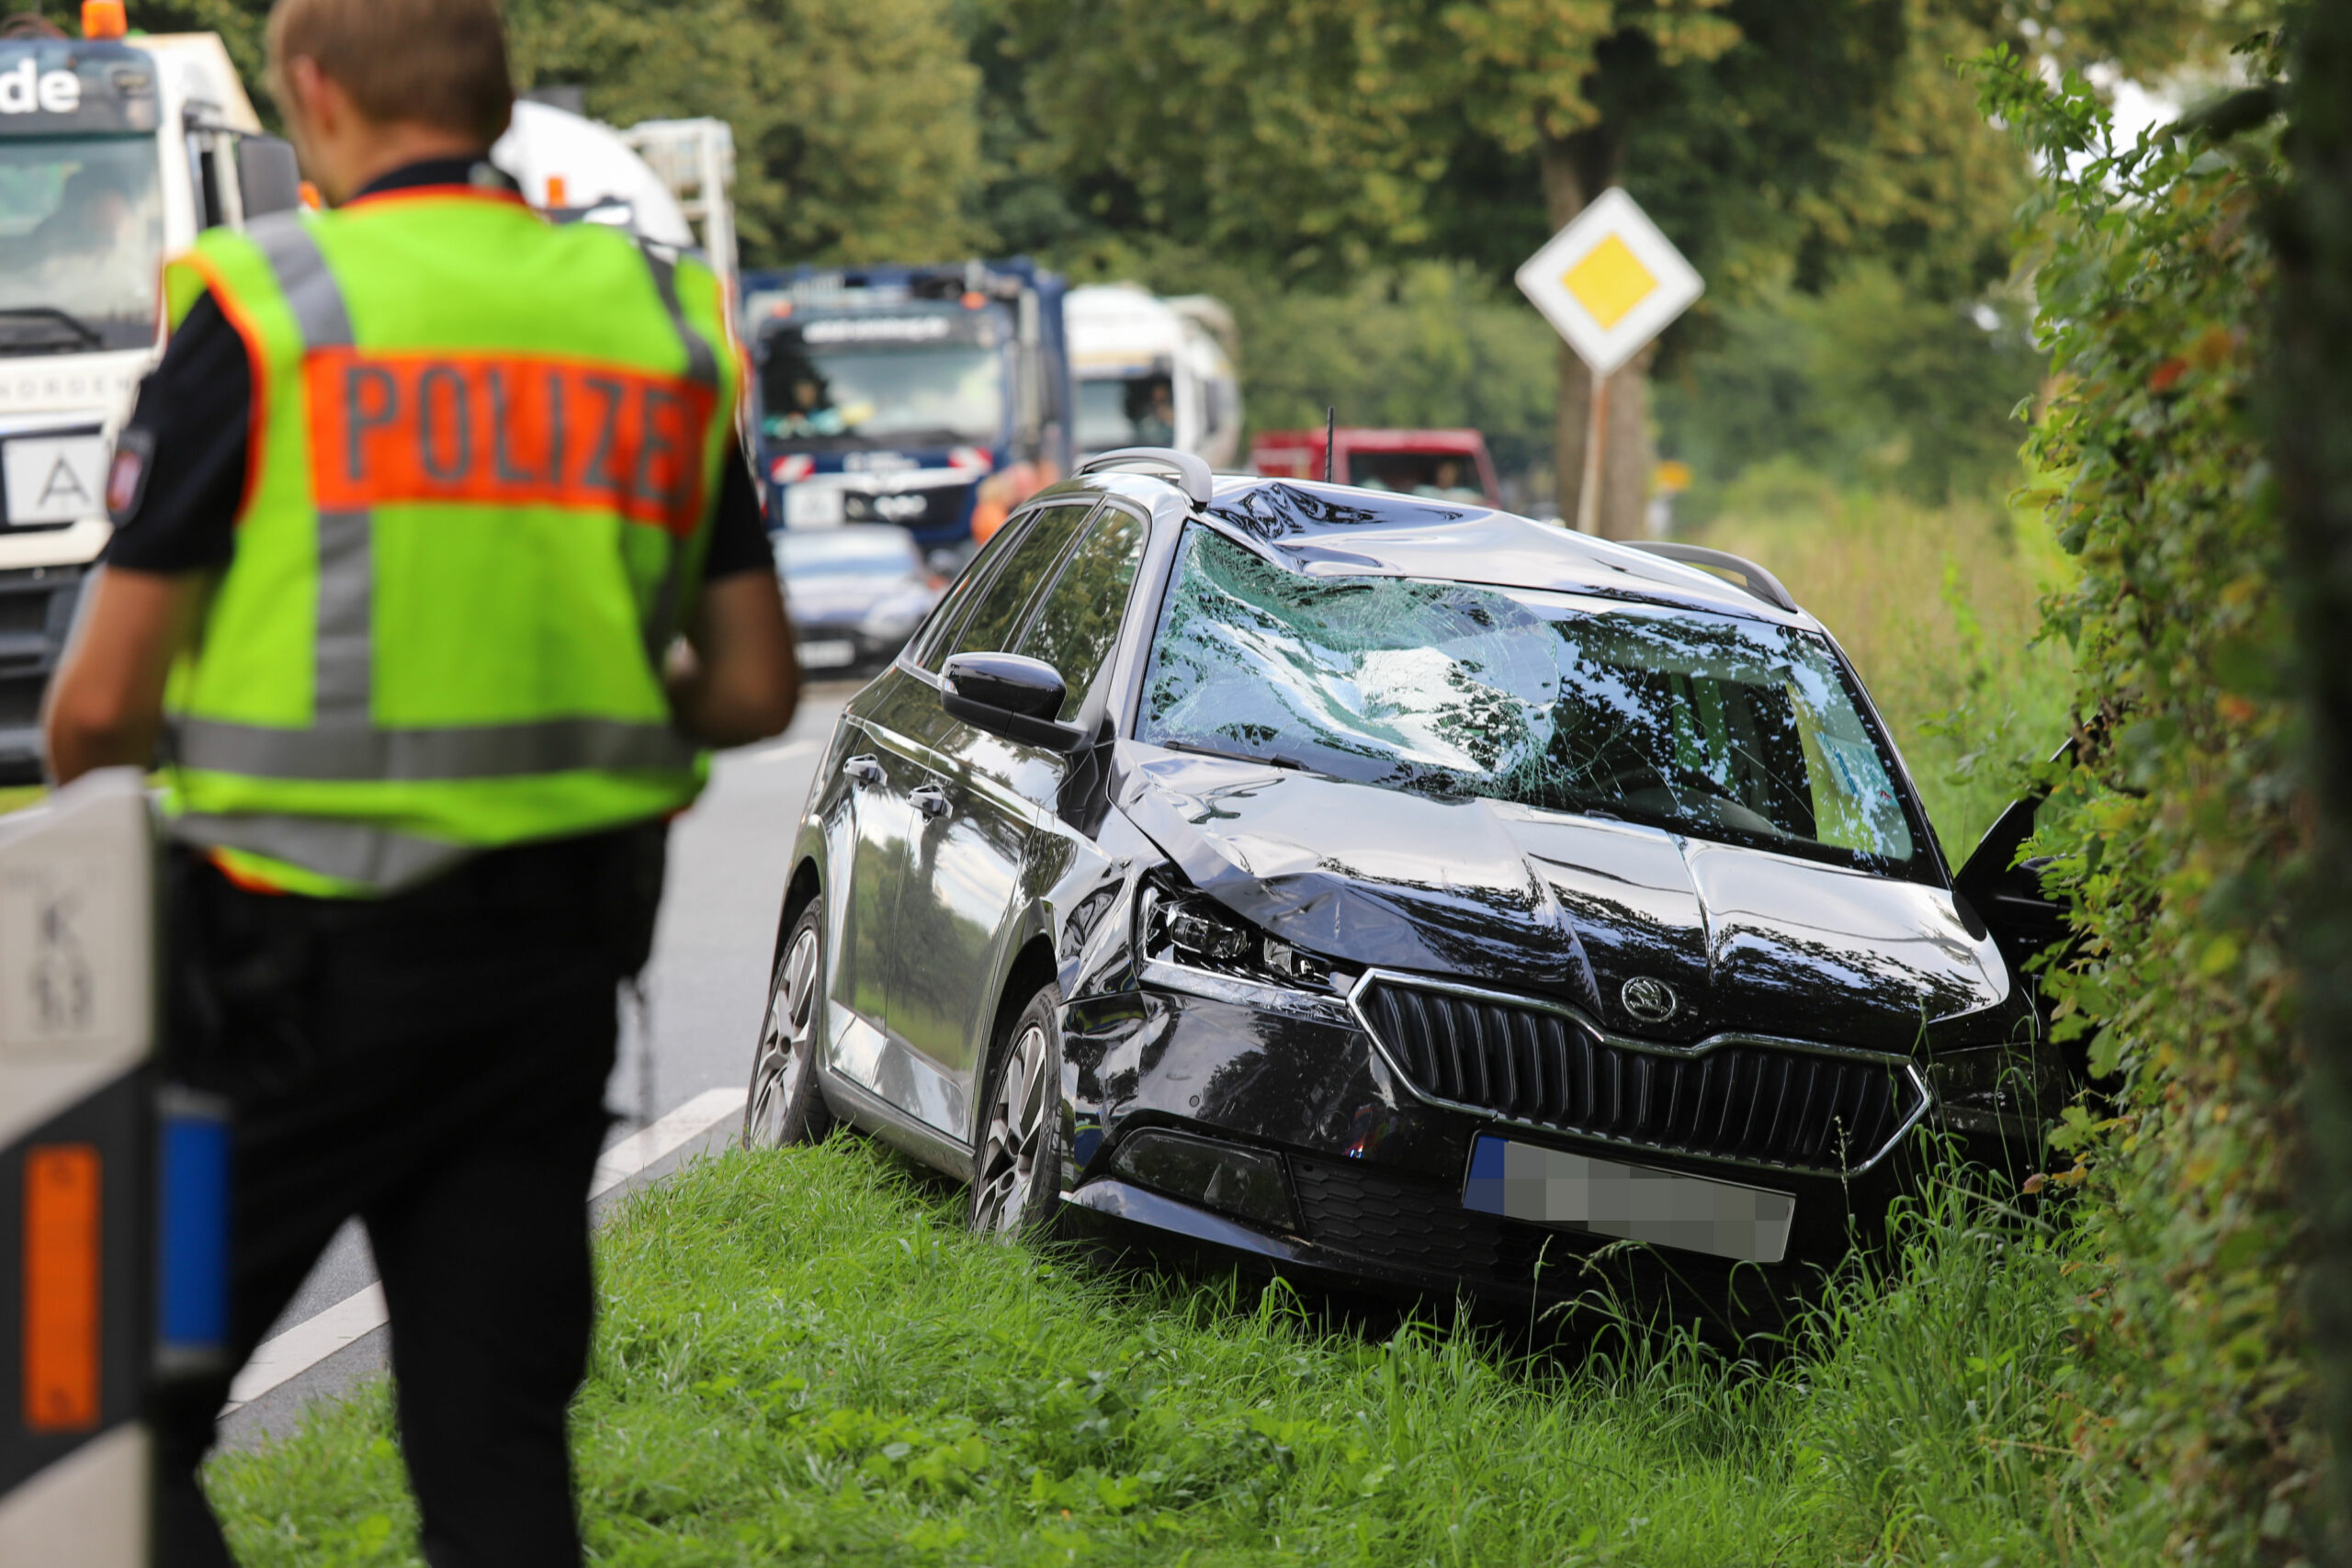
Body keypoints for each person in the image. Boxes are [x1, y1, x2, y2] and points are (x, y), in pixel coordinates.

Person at [40, 1, 797, 1563]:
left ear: (309, 92)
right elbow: (750, 687)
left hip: (270, 1017)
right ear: (496, 96)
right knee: (494, 1448)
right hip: (543, 997)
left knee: (88, 1414)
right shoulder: (651, 317)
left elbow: (94, 713)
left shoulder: (264, 306)